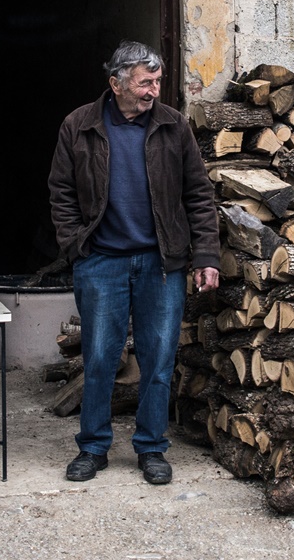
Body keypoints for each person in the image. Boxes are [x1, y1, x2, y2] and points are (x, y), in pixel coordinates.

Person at [47, 41, 220, 485]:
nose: (153, 91)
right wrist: (74, 246)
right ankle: (93, 447)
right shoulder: (79, 125)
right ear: (116, 83)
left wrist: (205, 255)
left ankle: (151, 448)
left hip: (160, 263)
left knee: (158, 360)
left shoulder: (173, 125)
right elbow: (60, 193)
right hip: (100, 261)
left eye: (157, 82)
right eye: (145, 83)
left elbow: (198, 195)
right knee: (100, 358)